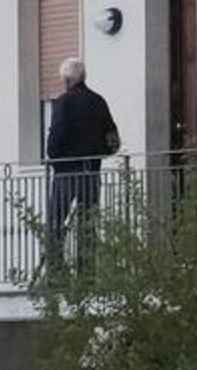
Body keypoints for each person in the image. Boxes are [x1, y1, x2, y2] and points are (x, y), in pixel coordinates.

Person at [43, 56, 120, 271]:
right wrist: (98, 155)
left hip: (66, 173)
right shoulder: (98, 102)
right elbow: (113, 141)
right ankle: (87, 274)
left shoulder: (63, 103)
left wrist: (55, 156)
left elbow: (55, 139)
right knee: (88, 226)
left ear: (67, 79)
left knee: (56, 224)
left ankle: (57, 273)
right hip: (91, 173)